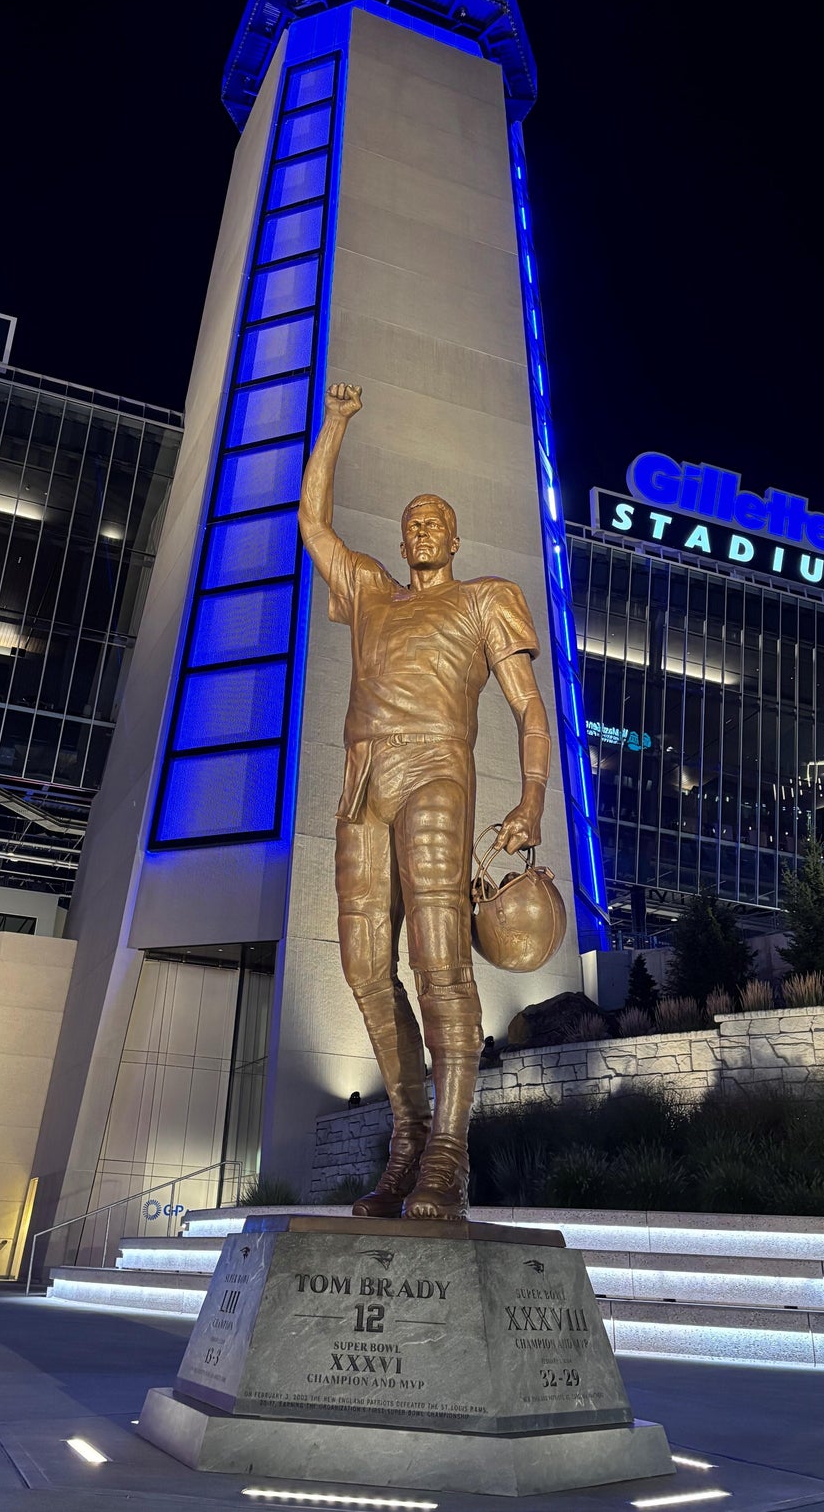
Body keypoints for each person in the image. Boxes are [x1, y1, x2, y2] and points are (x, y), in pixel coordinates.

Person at [298, 382, 552, 1218]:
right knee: (363, 968)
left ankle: (449, 1148)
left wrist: (532, 800)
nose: (421, 529)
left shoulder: (484, 599)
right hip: (362, 779)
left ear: (455, 538)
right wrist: (334, 425)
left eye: (435, 521)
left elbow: (529, 709)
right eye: (411, 522)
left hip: (437, 771)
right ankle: (407, 1136)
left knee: (438, 961)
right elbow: (313, 524)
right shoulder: (371, 591)